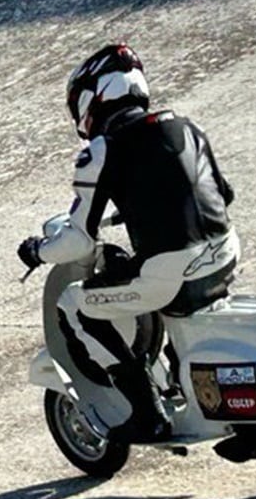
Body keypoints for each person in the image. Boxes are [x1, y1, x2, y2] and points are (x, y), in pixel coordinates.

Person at [17, 43, 239, 442]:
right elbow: (223, 193)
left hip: (170, 271)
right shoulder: (186, 126)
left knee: (74, 305)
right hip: (224, 253)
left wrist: (37, 250)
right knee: (160, 293)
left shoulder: (103, 150)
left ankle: (145, 411)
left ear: (92, 97)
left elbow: (78, 240)